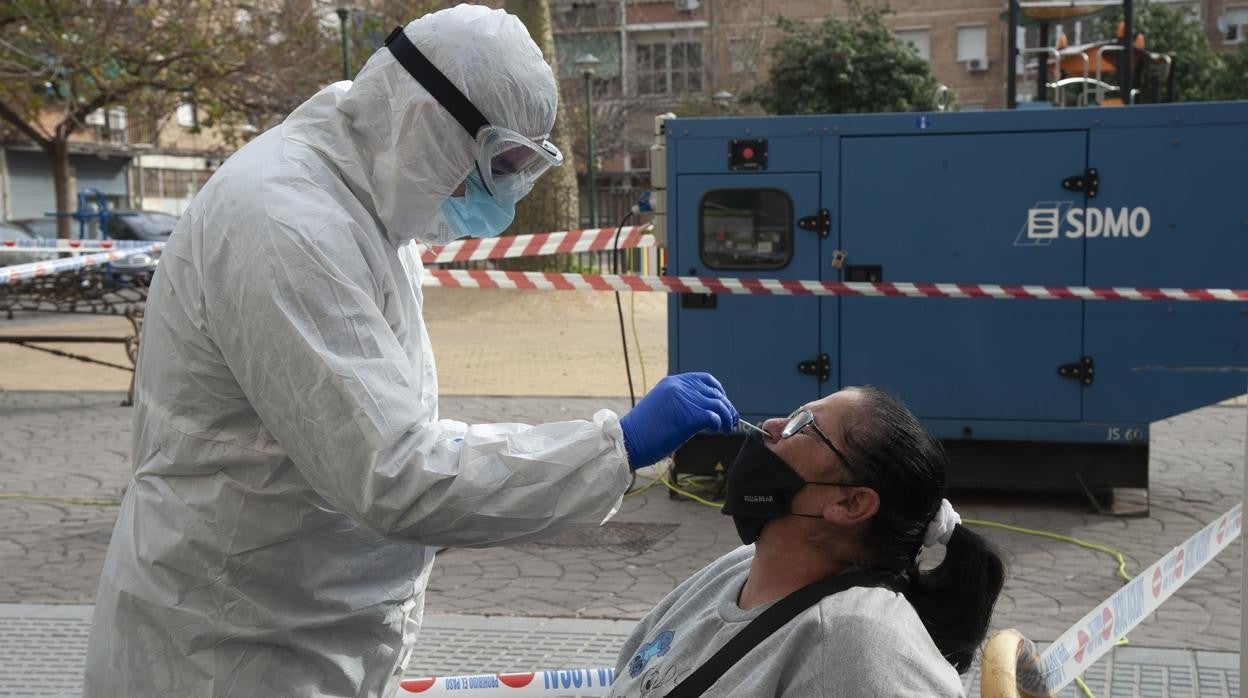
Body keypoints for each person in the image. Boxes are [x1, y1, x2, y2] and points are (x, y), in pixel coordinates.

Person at [83, 6, 738, 697]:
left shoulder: (366, 201)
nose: (500, 195)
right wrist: (614, 448)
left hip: (300, 628)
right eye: (497, 166)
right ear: (427, 122)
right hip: (228, 648)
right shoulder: (286, 224)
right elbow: (395, 473)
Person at [609, 387, 1005, 697]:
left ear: (851, 502)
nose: (771, 426)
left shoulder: (858, 642)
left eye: (803, 425)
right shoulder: (740, 566)